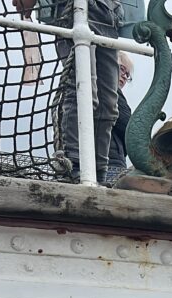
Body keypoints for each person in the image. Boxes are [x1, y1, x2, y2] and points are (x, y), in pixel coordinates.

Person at [12, 0, 123, 183]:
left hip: (109, 17)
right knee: (83, 91)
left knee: (109, 106)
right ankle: (76, 165)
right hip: (76, 12)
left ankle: (99, 171)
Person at [105, 49, 132, 184]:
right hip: (110, 162)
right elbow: (128, 127)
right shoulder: (111, 90)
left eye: (127, 74)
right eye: (122, 69)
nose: (124, 76)